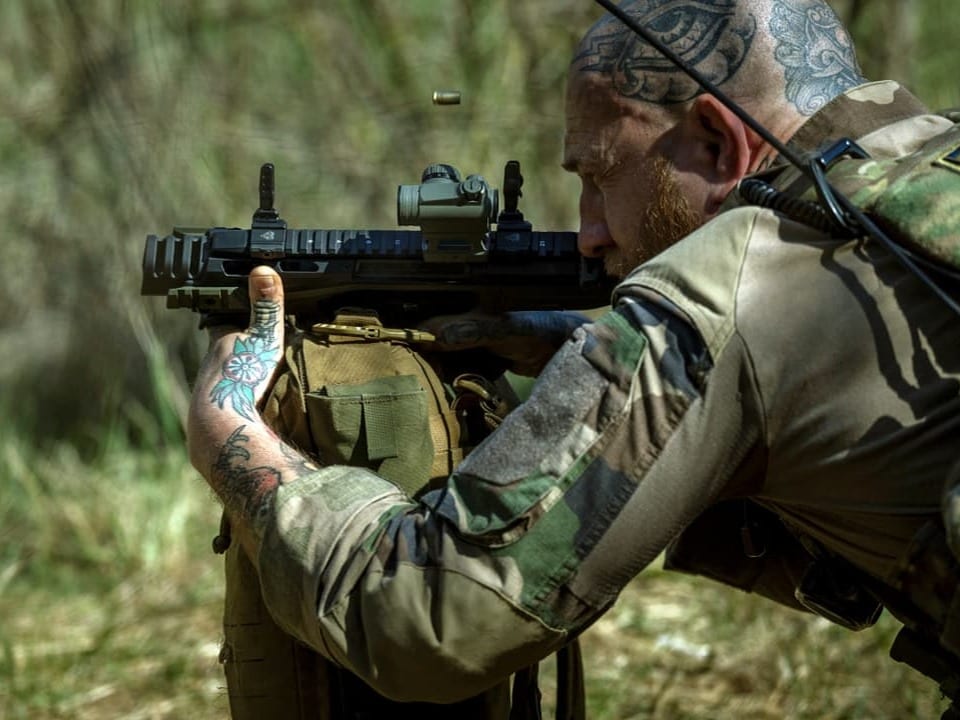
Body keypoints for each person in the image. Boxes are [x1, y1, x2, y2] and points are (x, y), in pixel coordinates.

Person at [187, 0, 960, 713]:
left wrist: (229, 433)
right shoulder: (932, 167)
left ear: (720, 142)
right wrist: (592, 363)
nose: (589, 231)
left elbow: (427, 618)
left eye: (597, 175)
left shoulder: (732, 286)